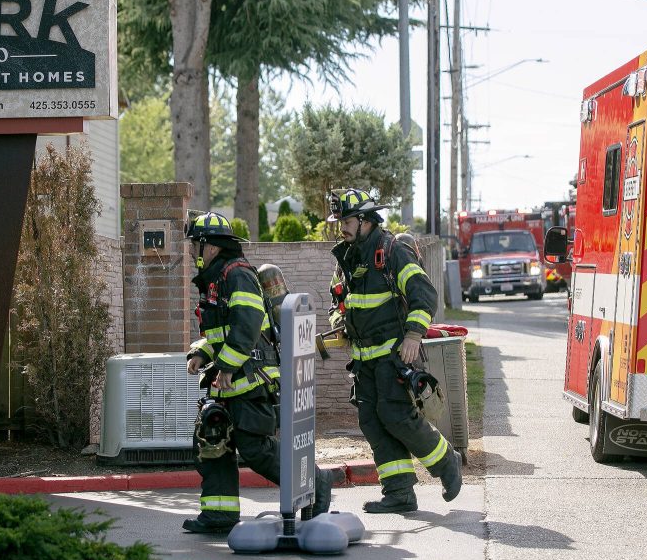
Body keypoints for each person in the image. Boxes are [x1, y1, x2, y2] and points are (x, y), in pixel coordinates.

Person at [183, 211, 332, 533]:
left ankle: (316, 483)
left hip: (250, 380)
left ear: (209, 246)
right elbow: (222, 334)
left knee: (255, 449)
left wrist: (225, 366)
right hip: (229, 379)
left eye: (195, 244)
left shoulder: (237, 275)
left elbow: (249, 325)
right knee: (214, 444)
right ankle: (219, 516)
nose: (192, 251)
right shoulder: (215, 279)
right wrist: (201, 352)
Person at [328, 189, 463, 514]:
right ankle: (399, 492)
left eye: (345, 221)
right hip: (363, 361)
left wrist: (414, 335)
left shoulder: (392, 250)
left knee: (396, 416)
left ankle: (446, 462)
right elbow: (337, 301)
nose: (341, 228)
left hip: (394, 356)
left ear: (364, 220)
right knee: (373, 422)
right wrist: (340, 321)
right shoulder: (347, 256)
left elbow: (423, 292)